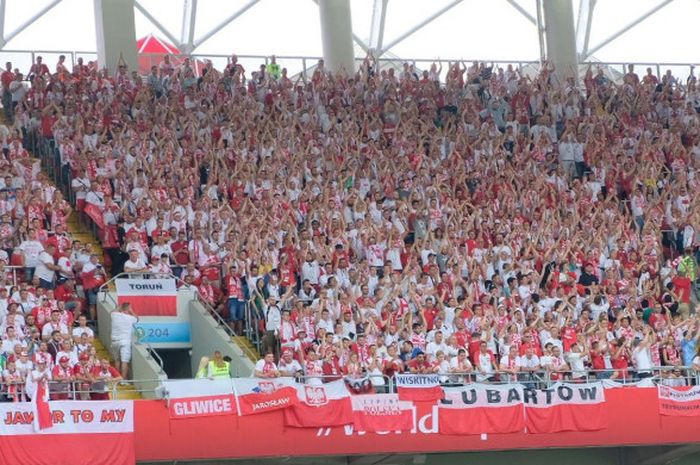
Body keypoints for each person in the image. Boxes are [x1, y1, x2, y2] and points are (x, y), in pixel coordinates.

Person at [110, 302, 138, 379]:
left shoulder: (114, 315)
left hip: (114, 341)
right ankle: (123, 379)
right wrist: (131, 311)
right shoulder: (130, 318)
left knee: (117, 360)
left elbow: (112, 312)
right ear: (128, 309)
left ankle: (117, 378)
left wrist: (119, 308)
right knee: (124, 361)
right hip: (125, 341)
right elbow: (137, 319)